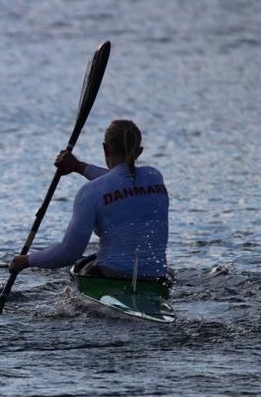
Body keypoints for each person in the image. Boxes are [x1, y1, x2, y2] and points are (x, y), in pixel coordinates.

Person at [9, 119, 169, 279]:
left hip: (111, 276)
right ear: (139, 151)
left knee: (81, 265)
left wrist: (27, 260)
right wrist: (77, 166)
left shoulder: (90, 192)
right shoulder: (155, 176)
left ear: (105, 149)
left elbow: (69, 253)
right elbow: (119, 181)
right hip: (156, 276)